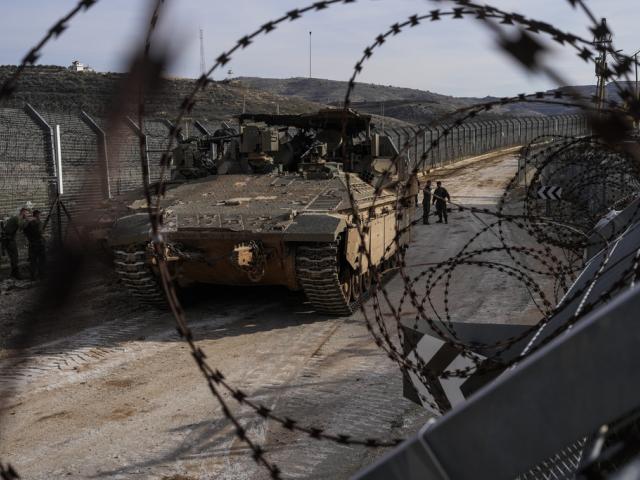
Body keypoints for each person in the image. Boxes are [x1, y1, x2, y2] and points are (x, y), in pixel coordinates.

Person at [1, 207, 29, 279]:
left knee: (13, 257)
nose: (27, 214)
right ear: (22, 212)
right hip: (9, 240)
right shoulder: (17, 218)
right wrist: (27, 220)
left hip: (7, 239)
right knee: (15, 257)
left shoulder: (16, 218)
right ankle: (16, 274)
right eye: (26, 213)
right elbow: (22, 227)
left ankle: (13, 273)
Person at [24, 209, 46, 280]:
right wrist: (44, 237)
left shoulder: (28, 224)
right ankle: (41, 275)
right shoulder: (39, 222)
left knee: (33, 261)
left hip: (31, 244)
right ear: (37, 215)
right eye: (40, 215)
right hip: (39, 244)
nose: (40, 216)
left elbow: (25, 231)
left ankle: (33, 277)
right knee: (41, 260)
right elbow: (40, 233)